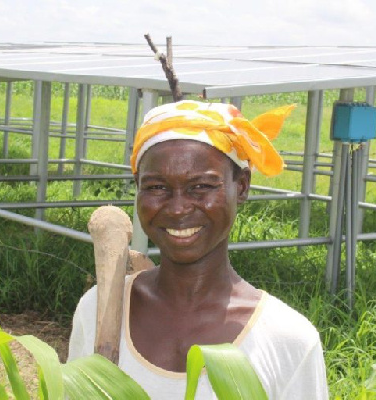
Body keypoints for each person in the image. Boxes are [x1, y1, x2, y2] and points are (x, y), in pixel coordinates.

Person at [68, 100, 329, 399]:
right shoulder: (98, 309)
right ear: (137, 188)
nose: (178, 209)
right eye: (156, 187)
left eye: (201, 186)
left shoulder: (287, 339)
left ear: (241, 186)